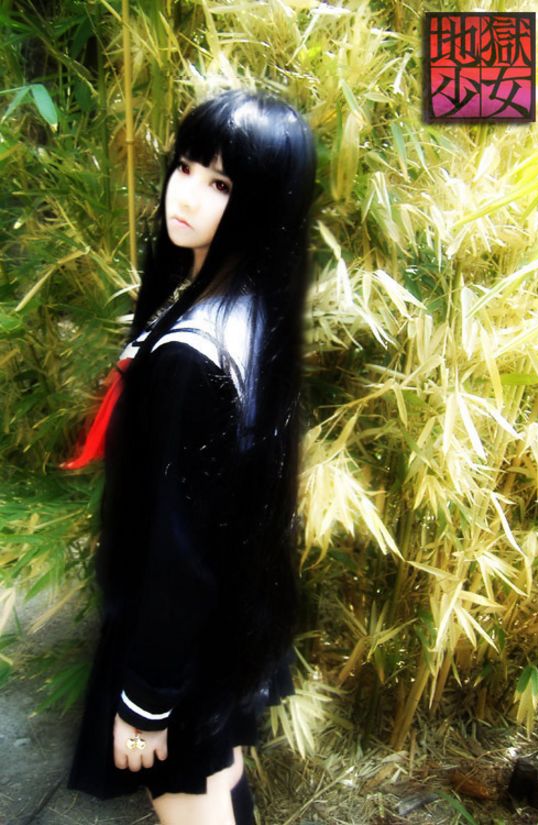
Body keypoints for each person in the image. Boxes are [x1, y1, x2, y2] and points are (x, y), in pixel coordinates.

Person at [65, 89, 317, 824]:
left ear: (262, 202)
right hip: (222, 629)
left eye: (221, 183)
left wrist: (146, 701)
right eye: (185, 167)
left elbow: (180, 550)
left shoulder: (196, 354)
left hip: (180, 646)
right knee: (221, 779)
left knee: (194, 796)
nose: (187, 194)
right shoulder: (252, 309)